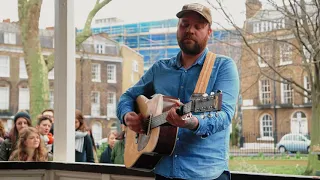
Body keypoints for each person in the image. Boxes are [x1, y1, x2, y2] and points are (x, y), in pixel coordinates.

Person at [116, 3, 239, 180]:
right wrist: (127, 115)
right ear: (178, 28)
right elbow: (128, 96)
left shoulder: (223, 67)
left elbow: (225, 114)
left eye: (198, 26)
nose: (190, 30)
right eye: (185, 24)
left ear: (209, 32)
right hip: (163, 171)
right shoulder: (160, 69)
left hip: (205, 174)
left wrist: (192, 122)